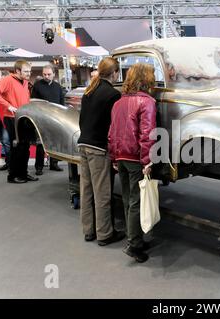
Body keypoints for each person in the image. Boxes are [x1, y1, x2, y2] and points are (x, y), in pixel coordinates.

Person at [108, 63, 157, 263]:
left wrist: (113, 157)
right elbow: (148, 134)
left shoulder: (118, 102)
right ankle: (134, 244)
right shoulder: (147, 102)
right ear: (147, 79)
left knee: (129, 199)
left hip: (121, 156)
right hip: (136, 158)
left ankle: (134, 238)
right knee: (137, 201)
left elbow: (111, 133)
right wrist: (148, 159)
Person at [77, 57, 125, 246]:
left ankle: (89, 230)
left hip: (84, 144)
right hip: (98, 147)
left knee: (86, 190)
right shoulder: (113, 94)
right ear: (114, 73)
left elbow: (82, 120)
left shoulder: (89, 91)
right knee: (102, 192)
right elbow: (114, 127)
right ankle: (105, 233)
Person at [0, 60, 38, 184]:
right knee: (17, 147)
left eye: (29, 71)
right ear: (17, 71)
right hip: (11, 117)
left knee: (25, 146)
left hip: (23, 116)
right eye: (26, 71)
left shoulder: (25, 81)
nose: (28, 73)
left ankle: (23, 173)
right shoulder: (8, 80)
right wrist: (8, 105)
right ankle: (13, 175)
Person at [31, 64, 65, 175]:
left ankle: (54, 164)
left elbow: (61, 103)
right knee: (40, 144)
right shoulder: (37, 86)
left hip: (55, 118)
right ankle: (39, 167)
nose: (46, 76)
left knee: (54, 142)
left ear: (54, 74)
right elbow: (33, 102)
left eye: (49, 74)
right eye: (44, 74)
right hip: (41, 118)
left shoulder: (58, 87)